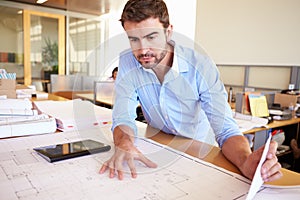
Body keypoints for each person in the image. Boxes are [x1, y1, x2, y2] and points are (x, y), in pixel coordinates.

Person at [99, 0, 282, 182]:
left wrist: (244, 161)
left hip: (200, 154)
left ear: (168, 32)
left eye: (151, 37)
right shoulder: (128, 61)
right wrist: (123, 143)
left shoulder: (201, 66)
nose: (143, 49)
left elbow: (226, 130)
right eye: (134, 39)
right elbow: (123, 117)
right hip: (159, 147)